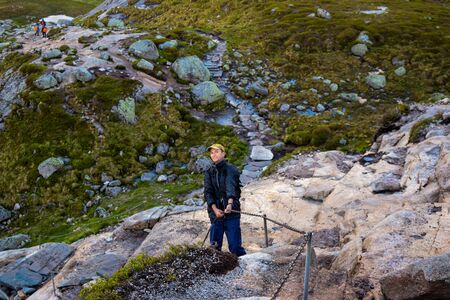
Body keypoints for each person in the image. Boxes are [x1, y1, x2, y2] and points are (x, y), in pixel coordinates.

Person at [204, 143, 246, 257]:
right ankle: (216, 269)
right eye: (212, 152)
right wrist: (215, 209)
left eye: (217, 151)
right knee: (215, 246)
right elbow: (208, 192)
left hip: (231, 211)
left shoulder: (231, 169)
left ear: (223, 153)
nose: (214, 154)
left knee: (235, 246)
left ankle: (244, 266)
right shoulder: (209, 171)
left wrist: (230, 204)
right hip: (215, 213)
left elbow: (230, 187)